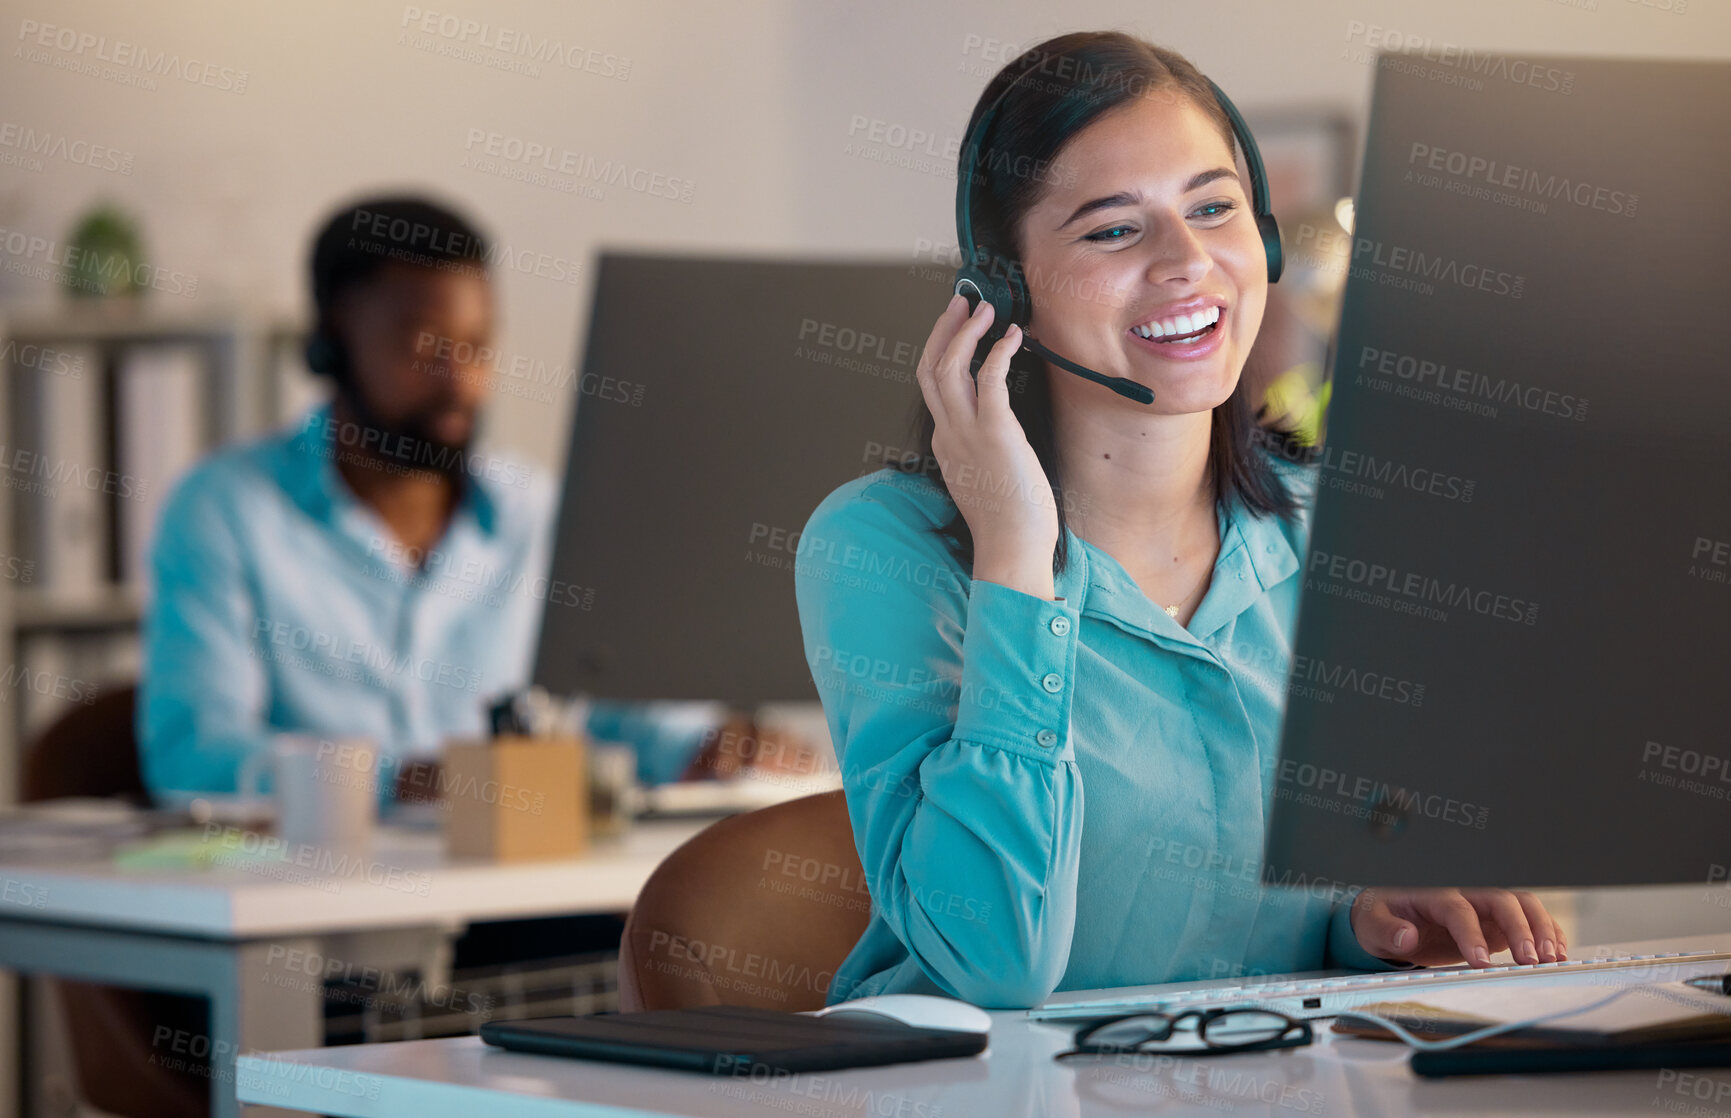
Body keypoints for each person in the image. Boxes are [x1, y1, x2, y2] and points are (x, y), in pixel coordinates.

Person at [795, 32, 1563, 1009]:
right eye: (1115, 229)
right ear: (1003, 284)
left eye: (1214, 208)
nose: (1189, 261)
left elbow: (1293, 913)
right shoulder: (881, 548)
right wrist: (1017, 557)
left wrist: (1367, 922)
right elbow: (994, 962)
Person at [138, 194, 741, 801]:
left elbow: (612, 711)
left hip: (521, 885)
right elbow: (196, 755)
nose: (461, 382)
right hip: (318, 882)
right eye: (427, 348)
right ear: (331, 341)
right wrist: (402, 782)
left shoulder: (535, 511)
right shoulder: (223, 510)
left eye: (477, 346)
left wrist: (710, 745)